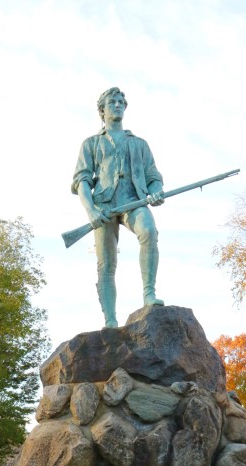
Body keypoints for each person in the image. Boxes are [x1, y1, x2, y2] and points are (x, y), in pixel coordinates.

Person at [72, 87, 165, 328]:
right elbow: (81, 180)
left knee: (149, 230)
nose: (117, 105)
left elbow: (154, 176)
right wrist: (91, 210)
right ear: (101, 111)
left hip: (134, 202)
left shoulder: (140, 144)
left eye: (121, 101)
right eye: (112, 102)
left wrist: (156, 191)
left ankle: (149, 294)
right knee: (106, 264)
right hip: (103, 207)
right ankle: (110, 320)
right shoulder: (91, 144)